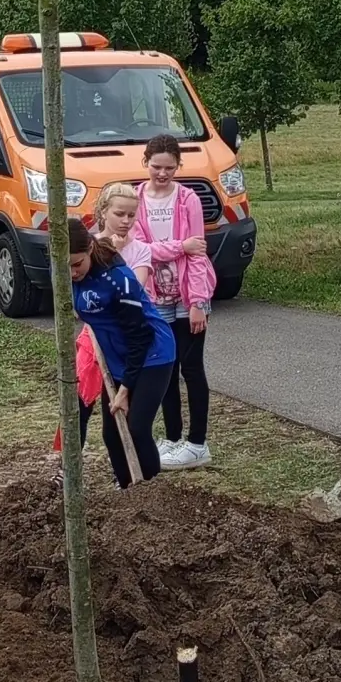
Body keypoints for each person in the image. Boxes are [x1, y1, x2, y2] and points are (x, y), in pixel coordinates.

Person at [70, 221, 177, 488]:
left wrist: (126, 388)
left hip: (153, 353)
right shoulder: (66, 274)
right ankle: (127, 492)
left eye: (76, 264)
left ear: (90, 248)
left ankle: (153, 493)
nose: (71, 272)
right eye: (64, 266)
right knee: (112, 433)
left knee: (137, 428)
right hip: (115, 357)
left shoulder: (119, 280)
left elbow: (139, 336)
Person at [133, 135, 217, 471]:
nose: (163, 173)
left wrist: (197, 301)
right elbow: (140, 250)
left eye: (170, 168)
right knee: (165, 369)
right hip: (155, 297)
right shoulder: (135, 199)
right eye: (157, 167)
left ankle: (197, 443)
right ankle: (171, 437)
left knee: (191, 367)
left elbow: (199, 253)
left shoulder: (188, 199)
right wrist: (181, 245)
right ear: (146, 163)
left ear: (178, 166)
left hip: (188, 296)